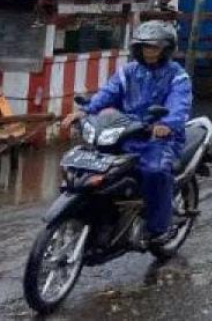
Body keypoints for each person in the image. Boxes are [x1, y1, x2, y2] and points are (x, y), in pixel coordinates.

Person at [62, 20, 191, 245]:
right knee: (89, 165)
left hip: (159, 138)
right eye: (144, 47)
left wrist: (166, 124)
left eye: (154, 47)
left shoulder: (177, 76)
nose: (148, 51)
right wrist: (85, 111)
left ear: (166, 48)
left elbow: (179, 105)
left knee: (155, 172)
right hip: (125, 132)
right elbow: (108, 93)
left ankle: (159, 227)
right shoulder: (128, 72)